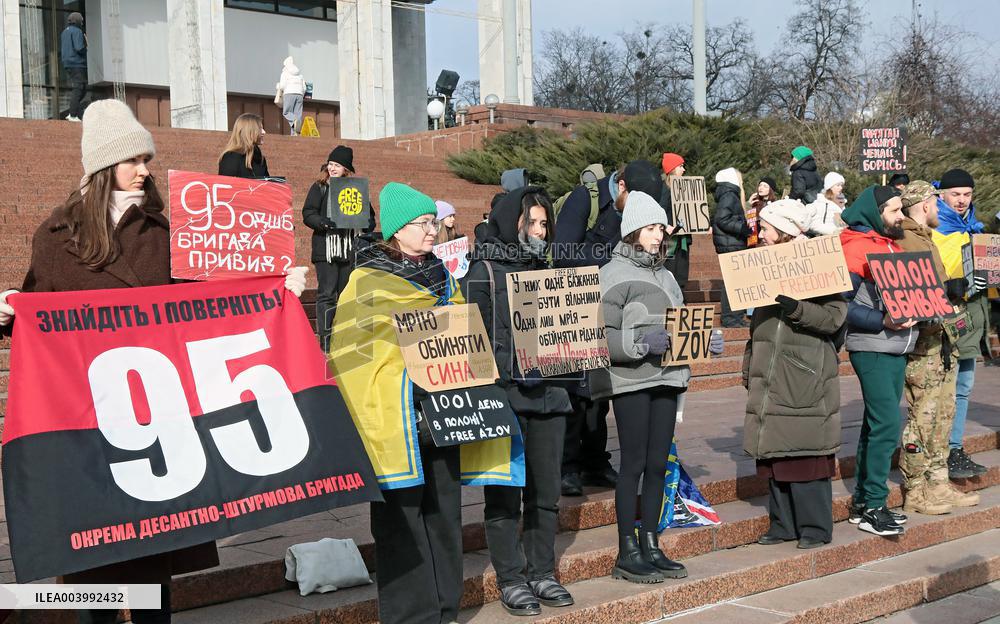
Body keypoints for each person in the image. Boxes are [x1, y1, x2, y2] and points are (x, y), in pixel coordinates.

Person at [0, 99, 308, 623]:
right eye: (133, 160)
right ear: (102, 167)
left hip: (158, 422)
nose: (145, 170)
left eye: (147, 158)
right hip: (89, 424)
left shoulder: (166, 234)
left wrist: (275, 290)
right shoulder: (55, 239)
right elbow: (35, 311)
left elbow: (212, 304)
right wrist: (8, 312)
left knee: (151, 585)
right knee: (92, 577)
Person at [328, 182, 523, 624]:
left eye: (433, 221)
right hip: (394, 419)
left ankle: (444, 608)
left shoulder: (442, 276)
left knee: (444, 517)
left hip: (443, 417)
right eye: (423, 223)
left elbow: (462, 341)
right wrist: (406, 369)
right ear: (397, 230)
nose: (433, 230)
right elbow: (350, 354)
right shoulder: (366, 280)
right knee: (402, 524)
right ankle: (410, 617)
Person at [591, 190, 724, 584]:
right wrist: (639, 344)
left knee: (655, 464)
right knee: (632, 464)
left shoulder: (666, 275)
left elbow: (681, 324)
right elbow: (598, 336)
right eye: (651, 227)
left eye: (660, 227)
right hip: (631, 381)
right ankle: (626, 550)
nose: (659, 234)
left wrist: (705, 339)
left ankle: (650, 542)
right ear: (633, 230)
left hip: (667, 379)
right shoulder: (612, 274)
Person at [463, 186, 575, 616]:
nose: (540, 231)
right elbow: (474, 345)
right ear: (513, 222)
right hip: (502, 399)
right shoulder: (482, 272)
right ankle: (512, 578)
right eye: (532, 222)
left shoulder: (549, 273)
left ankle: (543, 572)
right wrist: (512, 366)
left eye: (545, 223)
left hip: (550, 398)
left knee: (545, 494)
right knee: (505, 497)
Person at [552, 160, 665, 497]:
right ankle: (568, 466)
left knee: (599, 392)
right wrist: (612, 261)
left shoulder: (631, 208)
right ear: (620, 187)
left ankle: (595, 461)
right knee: (574, 392)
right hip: (572, 305)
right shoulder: (583, 200)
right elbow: (562, 253)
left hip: (609, 304)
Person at [744, 200, 847, 549]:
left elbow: (834, 317)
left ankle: (815, 528)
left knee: (806, 454)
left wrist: (797, 308)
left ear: (785, 231)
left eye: (767, 228)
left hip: (804, 371)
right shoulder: (762, 265)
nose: (761, 234)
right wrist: (749, 366)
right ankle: (783, 523)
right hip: (771, 368)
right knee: (775, 454)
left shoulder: (817, 263)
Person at [896, 181, 979, 515]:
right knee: (923, 418)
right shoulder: (908, 239)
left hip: (943, 337)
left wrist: (951, 291)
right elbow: (914, 293)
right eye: (935, 201)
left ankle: (938, 483)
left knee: (943, 415)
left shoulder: (924, 236)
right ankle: (916, 489)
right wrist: (946, 291)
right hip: (925, 343)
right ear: (926, 204)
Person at [840, 185, 916, 537]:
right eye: (895, 210)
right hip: (871, 345)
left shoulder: (890, 245)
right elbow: (842, 305)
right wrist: (882, 321)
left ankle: (861, 503)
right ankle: (874, 505)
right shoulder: (856, 247)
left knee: (876, 425)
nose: (901, 216)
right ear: (876, 213)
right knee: (886, 424)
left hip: (897, 345)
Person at [931, 169, 990, 479]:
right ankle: (943, 452)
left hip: (971, 315)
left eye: (967, 194)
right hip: (944, 317)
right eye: (956, 194)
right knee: (946, 388)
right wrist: (951, 285)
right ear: (941, 195)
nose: (962, 200)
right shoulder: (933, 228)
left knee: (964, 387)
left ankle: (954, 449)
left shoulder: (973, 227)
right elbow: (924, 274)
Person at [301, 145, 375, 352]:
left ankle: (343, 337)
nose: (332, 168)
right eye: (331, 164)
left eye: (337, 165)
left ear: (346, 169)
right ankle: (325, 341)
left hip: (348, 248)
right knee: (327, 294)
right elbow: (308, 213)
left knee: (345, 294)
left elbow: (370, 218)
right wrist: (324, 223)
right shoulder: (320, 186)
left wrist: (364, 224)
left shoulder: (357, 189)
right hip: (326, 248)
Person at [711, 167, 751, 328]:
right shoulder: (729, 195)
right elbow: (722, 219)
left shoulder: (727, 194)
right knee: (733, 284)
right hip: (731, 243)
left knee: (735, 283)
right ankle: (730, 318)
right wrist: (741, 228)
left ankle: (735, 317)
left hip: (730, 243)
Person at [660, 152, 694, 289]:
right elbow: (660, 209)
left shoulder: (683, 188)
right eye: (680, 166)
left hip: (683, 239)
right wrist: (666, 225)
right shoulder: (665, 189)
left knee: (681, 276)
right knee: (671, 275)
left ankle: (680, 303)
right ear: (672, 169)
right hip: (671, 241)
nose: (683, 169)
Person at [218, 113, 270, 179]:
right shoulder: (230, 158)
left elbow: (267, 184)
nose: (264, 132)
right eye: (260, 129)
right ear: (248, 131)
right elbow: (226, 185)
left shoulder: (259, 158)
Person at [60, 12, 88, 122]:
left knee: (82, 88)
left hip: (67, 62)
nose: (82, 23)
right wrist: (85, 46)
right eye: (81, 21)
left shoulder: (64, 32)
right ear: (78, 21)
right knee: (79, 87)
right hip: (77, 63)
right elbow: (79, 48)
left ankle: (73, 109)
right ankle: (72, 115)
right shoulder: (77, 31)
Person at [804, 172, 846, 236]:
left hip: (840, 239)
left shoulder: (841, 204)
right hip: (826, 240)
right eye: (838, 185)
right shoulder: (820, 204)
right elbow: (814, 225)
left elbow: (841, 224)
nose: (841, 188)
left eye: (841, 185)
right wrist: (833, 231)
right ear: (830, 187)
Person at [276, 56, 306, 136]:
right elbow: (305, 88)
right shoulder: (300, 75)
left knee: (286, 112)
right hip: (299, 95)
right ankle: (295, 134)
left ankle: (294, 122)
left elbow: (282, 86)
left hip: (289, 93)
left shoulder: (285, 73)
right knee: (298, 114)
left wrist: (278, 86)